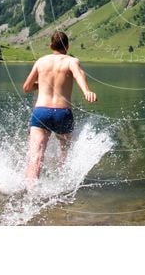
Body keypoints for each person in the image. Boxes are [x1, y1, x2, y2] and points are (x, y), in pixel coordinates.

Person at [22, 31, 96, 184]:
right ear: (67, 46)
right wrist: (86, 91)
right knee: (65, 151)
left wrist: (41, 85)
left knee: (36, 156)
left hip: (41, 112)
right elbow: (79, 75)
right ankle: (62, 185)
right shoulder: (71, 61)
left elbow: (27, 87)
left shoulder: (41, 61)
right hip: (63, 113)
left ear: (50, 45)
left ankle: (31, 192)